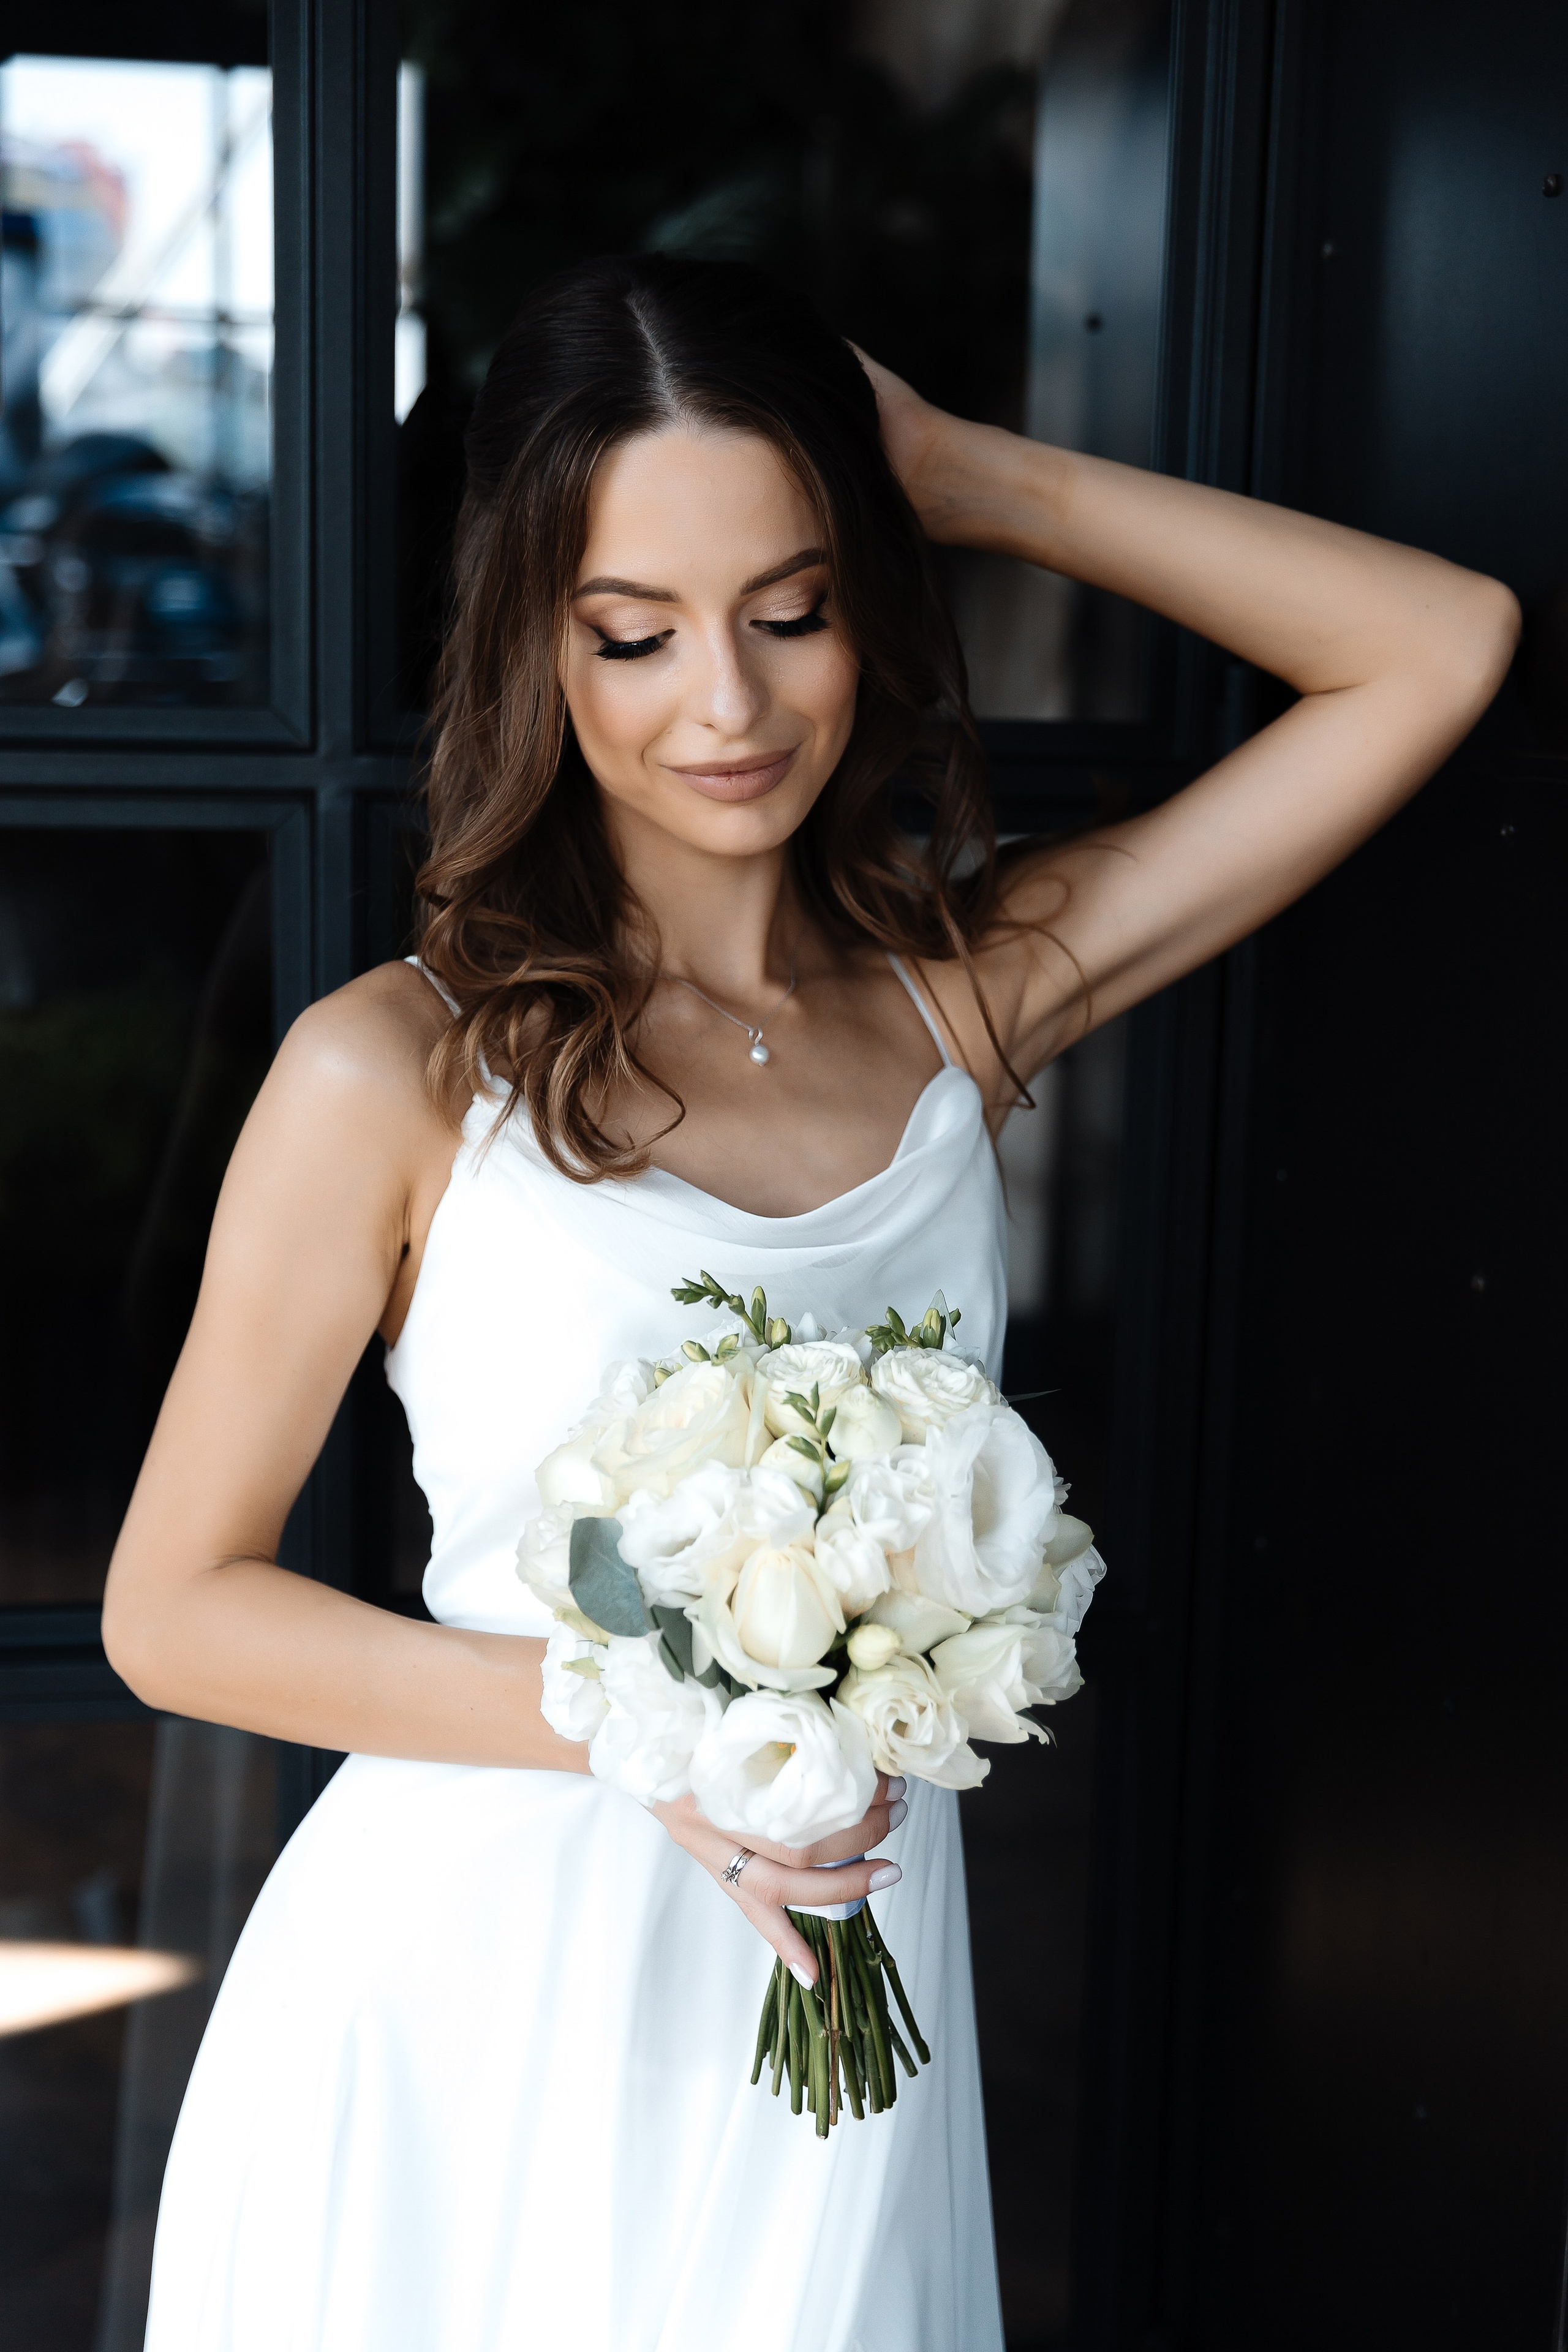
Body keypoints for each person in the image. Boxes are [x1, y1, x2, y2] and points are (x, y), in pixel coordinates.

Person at [105, 254, 1517, 2352]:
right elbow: (171, 1608)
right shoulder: (393, 1073)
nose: (732, 706)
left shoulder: (969, 995)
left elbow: (1437, 646)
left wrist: (965, 470)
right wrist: (649, 1733)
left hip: (848, 1988)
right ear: (534, 647)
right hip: (471, 1993)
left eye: (793, 607)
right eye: (635, 633)